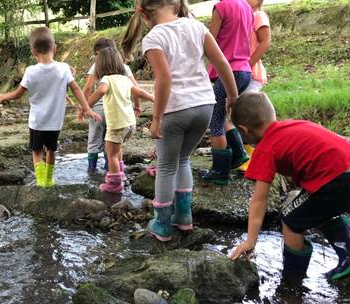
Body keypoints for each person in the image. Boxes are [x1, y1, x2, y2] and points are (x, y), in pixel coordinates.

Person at [122, 0, 238, 241]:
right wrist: (233, 96)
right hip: (204, 105)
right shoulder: (196, 27)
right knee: (183, 159)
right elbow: (222, 63)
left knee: (166, 165)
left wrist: (156, 118)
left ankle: (162, 224)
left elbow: (164, 79)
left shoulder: (154, 38)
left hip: (175, 110)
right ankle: (184, 217)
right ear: (176, 4)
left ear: (143, 13)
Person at [230, 92, 350, 281]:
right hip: (344, 170)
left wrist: (250, 240)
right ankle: (348, 256)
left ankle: (293, 279)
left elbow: (259, 199)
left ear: (244, 130)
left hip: (334, 179)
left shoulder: (265, 148)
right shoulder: (292, 125)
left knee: (290, 220)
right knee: (320, 209)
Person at [0, 27, 101, 188]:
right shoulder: (64, 68)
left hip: (37, 122)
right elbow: (77, 89)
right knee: (51, 150)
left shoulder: (31, 71)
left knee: (37, 151)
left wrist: (3, 97)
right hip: (55, 122)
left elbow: (17, 94)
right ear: (55, 48)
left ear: (33, 52)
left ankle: (40, 180)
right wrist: (86, 108)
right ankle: (50, 180)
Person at [199, 0, 254, 185]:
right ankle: (239, 155)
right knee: (222, 115)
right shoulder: (246, 6)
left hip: (227, 70)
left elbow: (209, 40)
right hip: (244, 70)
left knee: (215, 120)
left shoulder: (221, 7)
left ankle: (220, 171)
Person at [87, 47, 154, 193]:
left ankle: (115, 184)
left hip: (117, 125)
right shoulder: (124, 79)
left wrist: (86, 106)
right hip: (130, 124)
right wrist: (151, 97)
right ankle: (121, 174)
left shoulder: (106, 79)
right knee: (118, 150)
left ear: (100, 66)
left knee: (111, 154)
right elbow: (138, 91)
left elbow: (101, 91)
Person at [82, 38, 146, 173]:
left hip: (98, 110)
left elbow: (88, 88)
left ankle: (92, 171)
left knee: (94, 140)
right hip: (120, 111)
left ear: (98, 53)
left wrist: (84, 107)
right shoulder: (124, 67)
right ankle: (110, 169)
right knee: (113, 142)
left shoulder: (97, 65)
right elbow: (136, 88)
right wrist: (137, 106)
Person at [237, 0, 271, 172]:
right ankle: (246, 155)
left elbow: (265, 42)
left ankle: (254, 158)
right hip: (241, 72)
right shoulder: (243, 15)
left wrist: (248, 64)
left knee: (248, 115)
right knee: (238, 114)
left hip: (251, 73)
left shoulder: (258, 15)